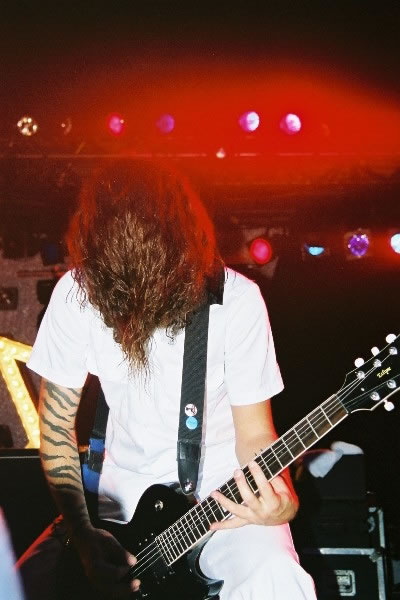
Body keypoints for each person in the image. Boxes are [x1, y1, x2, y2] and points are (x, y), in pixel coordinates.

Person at [18, 161, 316, 599]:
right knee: (20, 584)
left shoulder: (236, 301)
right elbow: (56, 427)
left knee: (275, 575)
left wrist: (280, 494)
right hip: (116, 506)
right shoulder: (77, 292)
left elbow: (255, 433)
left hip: (221, 502)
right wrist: (82, 534)